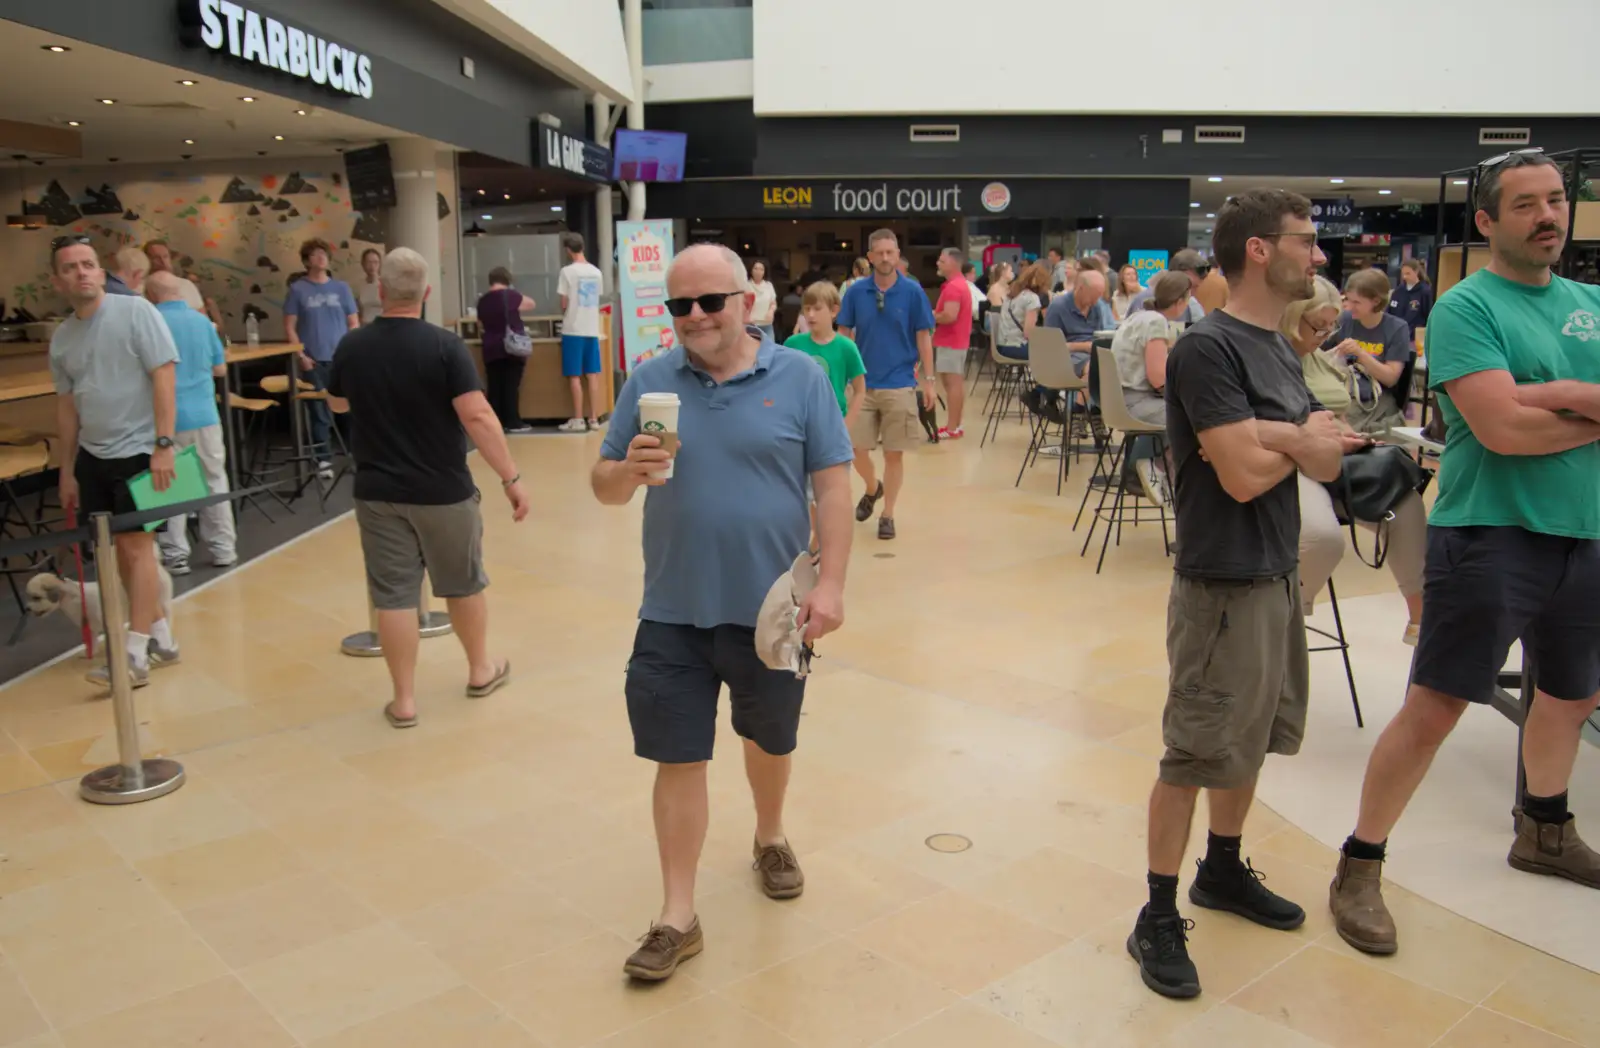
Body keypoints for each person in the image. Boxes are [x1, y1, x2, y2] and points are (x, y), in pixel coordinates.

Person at [1330, 151, 1600, 959]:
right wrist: (1582, 404)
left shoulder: (1590, 301)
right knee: (1438, 706)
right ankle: (1360, 864)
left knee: (1569, 697)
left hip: (1586, 533)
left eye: (1555, 200)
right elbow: (1501, 430)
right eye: (1525, 205)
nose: (1547, 216)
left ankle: (1543, 831)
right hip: (1490, 534)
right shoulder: (1466, 307)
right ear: (1487, 222)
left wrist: (1545, 392)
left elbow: (1522, 412)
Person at [591, 243, 855, 982]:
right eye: (681, 305)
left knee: (770, 739)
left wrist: (831, 585)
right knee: (677, 755)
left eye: (711, 301)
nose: (696, 317)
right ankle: (678, 914)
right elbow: (603, 483)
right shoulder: (649, 380)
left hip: (774, 610)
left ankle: (769, 833)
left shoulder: (800, 376)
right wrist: (626, 474)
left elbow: (834, 489)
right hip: (672, 610)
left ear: (747, 301)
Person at [1131, 188, 1343, 1000]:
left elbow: (1321, 460)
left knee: (1250, 738)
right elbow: (1246, 474)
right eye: (1306, 241)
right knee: (1193, 750)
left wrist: (1283, 439)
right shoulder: (1205, 349)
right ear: (1259, 249)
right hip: (1221, 582)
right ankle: (1155, 912)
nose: (1317, 256)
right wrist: (1292, 436)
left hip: (1275, 573)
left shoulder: (1278, 348)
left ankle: (1220, 871)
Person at [324, 248, 529, 728]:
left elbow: (335, 404)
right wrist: (510, 478)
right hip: (444, 490)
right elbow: (477, 416)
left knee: (394, 595)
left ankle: (404, 701)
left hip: (377, 491)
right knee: (462, 583)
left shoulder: (353, 346)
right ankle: (480, 670)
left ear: (381, 291)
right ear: (426, 293)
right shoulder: (444, 346)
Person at [47, 236, 182, 688]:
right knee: (120, 554)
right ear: (58, 280)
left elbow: (164, 374)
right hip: (94, 456)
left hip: (144, 450)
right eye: (71, 268)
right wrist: (67, 469)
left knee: (135, 549)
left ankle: (135, 652)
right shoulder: (62, 338)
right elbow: (67, 408)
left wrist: (164, 445)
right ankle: (162, 637)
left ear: (101, 273)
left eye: (88, 264)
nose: (82, 272)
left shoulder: (136, 311)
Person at [1283, 276, 1426, 642]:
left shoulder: (1317, 358)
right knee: (1321, 538)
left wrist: (1348, 436)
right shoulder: (1273, 358)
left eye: (1331, 325)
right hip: (1290, 464)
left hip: (1334, 457)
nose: (1326, 333)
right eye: (1319, 326)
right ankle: (1286, 622)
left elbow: (1338, 411)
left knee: (1404, 502)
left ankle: (1421, 619)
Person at [837, 229, 936, 541]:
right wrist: (840, 379)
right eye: (878, 253)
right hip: (862, 385)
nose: (884, 258)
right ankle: (872, 488)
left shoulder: (913, 292)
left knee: (895, 453)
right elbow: (843, 334)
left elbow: (924, 336)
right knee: (854, 448)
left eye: (890, 252)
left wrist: (930, 382)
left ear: (897, 255)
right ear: (869, 257)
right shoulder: (855, 293)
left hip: (900, 383)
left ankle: (888, 513)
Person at [147, 272, 236, 576]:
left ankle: (175, 555)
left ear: (151, 294)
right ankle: (224, 549)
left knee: (170, 487)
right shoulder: (202, 322)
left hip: (164, 419)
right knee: (214, 480)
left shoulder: (149, 321)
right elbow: (220, 369)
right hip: (204, 415)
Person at [1110, 270, 1193, 505]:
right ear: (1180, 302)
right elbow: (1158, 378)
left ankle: (1146, 466)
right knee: (1193, 416)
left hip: (1119, 401)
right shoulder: (1156, 322)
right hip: (1136, 404)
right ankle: (1152, 467)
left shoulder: (1138, 316)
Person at [283, 238, 359, 474]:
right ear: (306, 261)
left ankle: (354, 455)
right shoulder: (298, 289)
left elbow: (353, 322)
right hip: (313, 359)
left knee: (349, 409)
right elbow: (290, 327)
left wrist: (352, 350)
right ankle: (323, 458)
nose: (321, 257)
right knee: (319, 411)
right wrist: (300, 355)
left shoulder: (342, 288)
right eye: (315, 254)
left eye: (323, 253)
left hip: (341, 358)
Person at [1329, 269, 1414, 435]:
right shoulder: (1345, 320)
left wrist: (1360, 354)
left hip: (1375, 399)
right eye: (1347, 300)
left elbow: (1390, 378)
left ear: (1375, 301)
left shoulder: (1397, 328)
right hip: (1345, 391)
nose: (1349, 306)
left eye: (1357, 302)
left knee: (1336, 427)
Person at [556, 232, 605, 433]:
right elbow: (596, 298)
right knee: (592, 375)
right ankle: (593, 419)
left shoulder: (567, 272)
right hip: (592, 328)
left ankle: (578, 419)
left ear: (568, 250)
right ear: (582, 247)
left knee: (574, 375)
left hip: (573, 329)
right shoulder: (596, 272)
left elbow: (564, 301)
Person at [476, 267, 534, 434]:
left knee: (494, 386)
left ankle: (495, 422)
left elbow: (480, 323)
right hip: (511, 347)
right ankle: (513, 421)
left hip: (490, 347)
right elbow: (531, 303)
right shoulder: (511, 296)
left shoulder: (483, 300)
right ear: (508, 280)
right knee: (511, 385)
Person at [932, 248, 974, 439]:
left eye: (942, 261)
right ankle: (955, 424)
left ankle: (952, 427)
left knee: (952, 384)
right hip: (955, 340)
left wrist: (930, 316)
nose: (938, 264)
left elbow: (949, 316)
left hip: (951, 341)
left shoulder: (954, 288)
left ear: (953, 263)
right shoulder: (957, 285)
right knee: (953, 383)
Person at [1043, 268, 1115, 375]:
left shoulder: (1097, 306)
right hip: (1068, 356)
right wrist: (1083, 346)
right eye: (1092, 297)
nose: (1095, 301)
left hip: (1095, 353)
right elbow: (1050, 346)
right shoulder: (1058, 307)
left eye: (1098, 297)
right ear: (1080, 288)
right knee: (1095, 369)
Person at [143, 240, 222, 329]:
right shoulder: (140, 288)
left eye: (165, 257)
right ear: (147, 260)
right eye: (156, 258)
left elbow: (204, 322)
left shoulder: (187, 285)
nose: (162, 262)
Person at [1126, 249, 1210, 324]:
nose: (1191, 293)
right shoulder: (1141, 301)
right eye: (1189, 285)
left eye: (1195, 288)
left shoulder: (1192, 306)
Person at [995, 262, 1050, 361]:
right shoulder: (1032, 298)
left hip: (1001, 346)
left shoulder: (1012, 294)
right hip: (1017, 347)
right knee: (1054, 353)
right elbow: (1028, 333)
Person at [1387, 257, 1433, 340]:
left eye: (1408, 273)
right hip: (1396, 335)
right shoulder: (1398, 291)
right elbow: (1390, 312)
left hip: (1414, 338)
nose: (1405, 277)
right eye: (1403, 274)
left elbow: (1429, 316)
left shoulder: (1424, 291)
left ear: (1416, 272)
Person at [749, 259, 778, 339]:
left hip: (767, 325)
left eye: (761, 269)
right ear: (751, 270)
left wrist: (771, 311)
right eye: (756, 269)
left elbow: (773, 303)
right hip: (751, 325)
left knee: (770, 349)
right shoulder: (746, 285)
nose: (758, 272)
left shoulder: (769, 286)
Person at [356, 248, 384, 325]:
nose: (372, 266)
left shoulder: (385, 284)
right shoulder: (360, 285)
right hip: (365, 326)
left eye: (375, 262)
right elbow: (359, 310)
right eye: (369, 262)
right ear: (363, 264)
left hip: (382, 325)